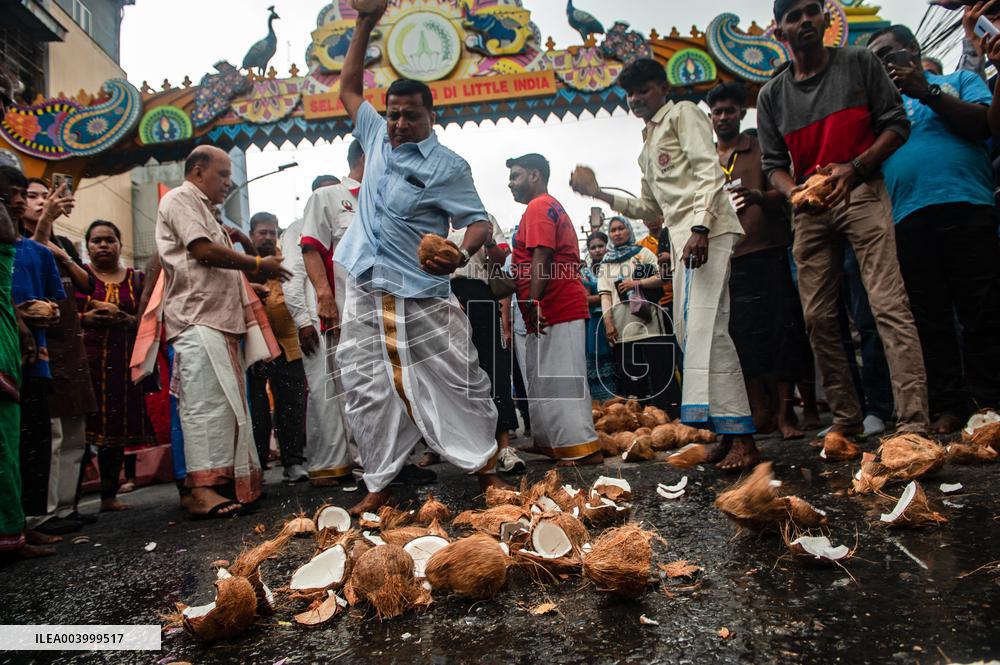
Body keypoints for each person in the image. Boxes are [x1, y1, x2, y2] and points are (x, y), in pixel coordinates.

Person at [335, 3, 511, 514]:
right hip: (367, 287)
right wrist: (364, 23)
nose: (399, 122)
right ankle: (379, 482)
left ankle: (485, 469)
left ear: (432, 116)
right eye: (393, 113)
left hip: (423, 291)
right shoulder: (374, 136)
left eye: (411, 114)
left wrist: (460, 252)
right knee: (364, 384)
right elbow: (348, 89)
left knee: (457, 376)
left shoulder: (448, 166)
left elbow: (478, 222)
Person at [570, 58, 758, 470]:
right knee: (693, 333)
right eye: (631, 94)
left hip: (706, 231)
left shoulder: (684, 115)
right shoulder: (645, 149)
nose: (637, 99)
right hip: (684, 235)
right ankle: (728, 431)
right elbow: (648, 208)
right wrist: (600, 193)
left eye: (644, 91)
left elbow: (710, 173)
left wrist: (702, 228)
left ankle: (743, 438)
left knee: (708, 329)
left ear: (663, 89)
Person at [756, 0, 930, 441]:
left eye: (812, 10)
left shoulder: (859, 62)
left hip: (862, 190)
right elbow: (775, 164)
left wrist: (855, 168)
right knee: (817, 317)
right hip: (810, 209)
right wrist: (793, 191)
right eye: (794, 16)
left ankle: (912, 422)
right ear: (781, 32)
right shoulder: (771, 95)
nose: (805, 21)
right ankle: (847, 418)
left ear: (825, 18)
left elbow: (896, 125)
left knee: (887, 304)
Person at [869, 25, 1000, 433]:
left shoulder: (958, 81)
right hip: (908, 217)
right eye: (877, 61)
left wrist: (926, 90)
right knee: (931, 318)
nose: (885, 65)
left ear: (912, 50)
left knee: (982, 310)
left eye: (889, 55)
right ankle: (949, 406)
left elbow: (983, 125)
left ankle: (989, 403)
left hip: (968, 205)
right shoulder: (879, 110)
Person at [155, 145, 290, 519]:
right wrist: (259, 262)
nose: (229, 183)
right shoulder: (182, 198)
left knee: (225, 408)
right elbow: (202, 251)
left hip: (218, 319)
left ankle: (221, 483)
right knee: (203, 406)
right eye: (223, 174)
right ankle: (200, 490)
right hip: (197, 318)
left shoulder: (207, 210)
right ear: (198, 172)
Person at [707, 81, 813, 440]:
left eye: (730, 111)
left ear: (741, 113)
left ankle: (786, 416)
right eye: (717, 112)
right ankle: (759, 411)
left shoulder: (760, 147)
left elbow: (783, 189)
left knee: (784, 331)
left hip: (767, 249)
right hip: (728, 259)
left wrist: (758, 196)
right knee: (741, 338)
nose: (723, 117)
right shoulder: (706, 160)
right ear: (710, 118)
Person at [508, 153, 599, 466]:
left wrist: (533, 301)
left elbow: (542, 256)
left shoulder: (539, 206)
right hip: (546, 308)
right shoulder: (541, 207)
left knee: (562, 378)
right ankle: (552, 443)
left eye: (516, 176)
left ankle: (583, 449)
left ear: (535, 176)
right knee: (544, 379)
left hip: (556, 305)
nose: (510, 184)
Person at [21, 178, 97, 534]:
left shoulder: (61, 243)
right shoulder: (19, 245)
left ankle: (67, 507)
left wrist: (61, 251)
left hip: (70, 344)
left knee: (74, 433)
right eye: (32, 196)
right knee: (47, 433)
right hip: (40, 345)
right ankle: (43, 512)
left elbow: (87, 285)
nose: (39, 201)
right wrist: (44, 227)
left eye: (42, 196)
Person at [289, 143, 364, 486]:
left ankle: (353, 461)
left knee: (352, 389)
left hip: (352, 312)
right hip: (321, 318)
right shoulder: (297, 227)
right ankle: (332, 465)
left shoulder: (360, 209)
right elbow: (293, 276)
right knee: (328, 392)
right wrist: (305, 320)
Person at [76, 220, 155, 511]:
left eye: (110, 240)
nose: (103, 245)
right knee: (81, 430)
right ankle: (67, 505)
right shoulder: (80, 276)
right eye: (97, 241)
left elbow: (146, 315)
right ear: (88, 246)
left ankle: (108, 495)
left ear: (120, 245)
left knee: (115, 431)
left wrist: (130, 321)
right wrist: (85, 318)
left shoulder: (135, 279)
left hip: (123, 365)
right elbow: (67, 308)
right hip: (87, 364)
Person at [6, 166, 66, 544]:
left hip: (37, 360)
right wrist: (19, 317)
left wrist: (43, 312)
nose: (16, 200)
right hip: (8, 351)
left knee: (32, 439)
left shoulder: (36, 252)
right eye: (16, 193)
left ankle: (26, 523)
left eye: (20, 192)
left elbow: (54, 302)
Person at [448, 214, 525, 473]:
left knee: (494, 367)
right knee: (448, 371)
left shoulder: (486, 218)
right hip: (443, 296)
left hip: (479, 293)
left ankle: (503, 446)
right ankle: (449, 447)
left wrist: (489, 241)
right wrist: (445, 297)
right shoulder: (432, 218)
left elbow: (500, 260)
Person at [245, 212, 308, 483]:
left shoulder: (287, 261)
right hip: (254, 348)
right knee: (257, 410)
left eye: (272, 232)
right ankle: (256, 467)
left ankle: (292, 463)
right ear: (252, 236)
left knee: (291, 406)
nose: (268, 237)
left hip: (289, 346)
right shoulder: (243, 265)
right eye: (262, 233)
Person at [598, 216, 676, 414]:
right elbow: (605, 295)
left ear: (629, 230)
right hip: (623, 328)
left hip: (650, 325)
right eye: (613, 230)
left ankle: (669, 416)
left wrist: (637, 284)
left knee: (660, 374)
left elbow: (663, 278)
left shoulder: (643, 253)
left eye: (621, 228)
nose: (617, 233)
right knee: (632, 379)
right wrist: (608, 324)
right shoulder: (606, 263)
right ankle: (640, 421)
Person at [581, 231, 618, 401]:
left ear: (607, 246)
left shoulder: (616, 265)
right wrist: (607, 295)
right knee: (601, 361)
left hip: (618, 318)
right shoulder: (586, 272)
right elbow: (585, 299)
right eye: (593, 248)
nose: (597, 250)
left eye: (600, 246)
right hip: (596, 323)